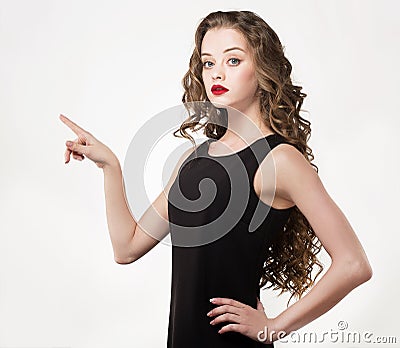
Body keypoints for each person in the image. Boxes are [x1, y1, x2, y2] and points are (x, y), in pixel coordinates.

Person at [60, 10, 372, 348]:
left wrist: (273, 327)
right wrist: (110, 166)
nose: (217, 73)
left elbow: (354, 264)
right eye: (209, 63)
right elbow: (126, 247)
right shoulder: (194, 159)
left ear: (263, 69)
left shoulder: (279, 159)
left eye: (233, 60)